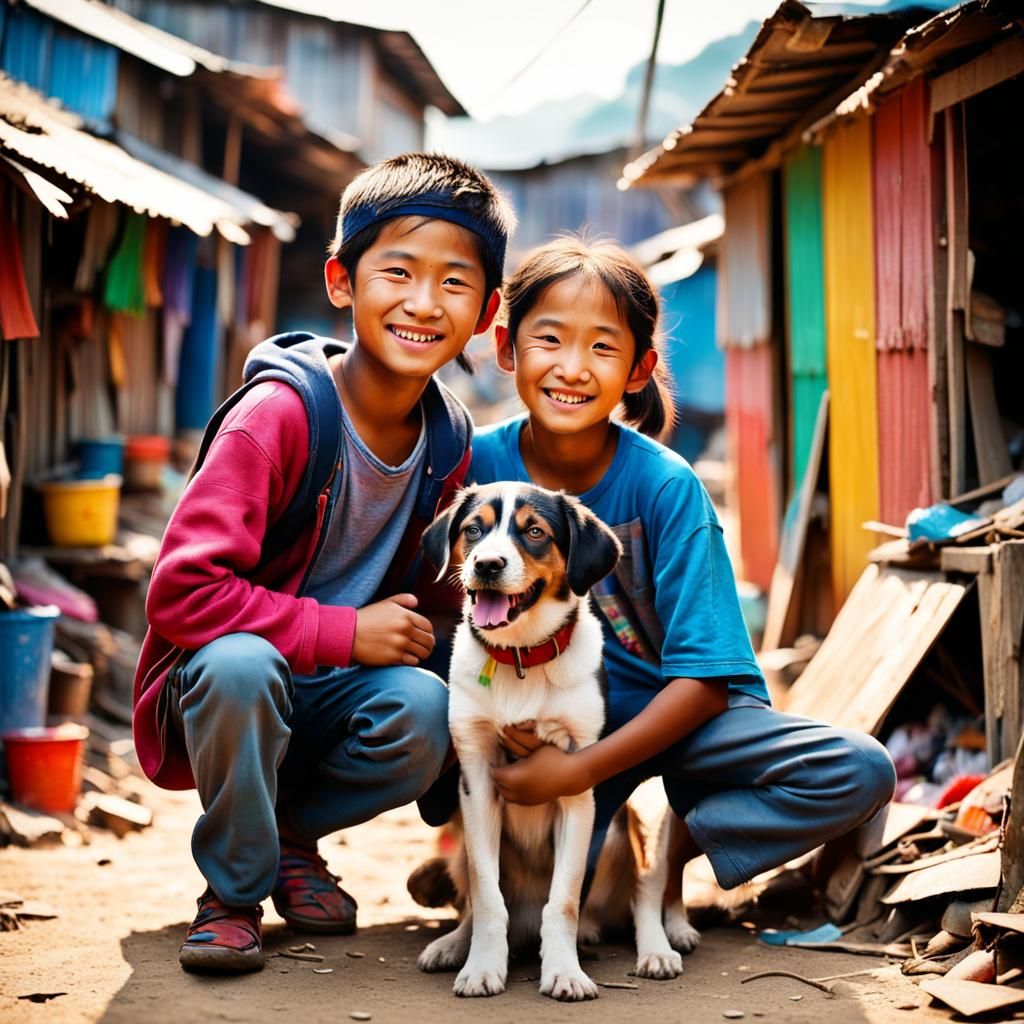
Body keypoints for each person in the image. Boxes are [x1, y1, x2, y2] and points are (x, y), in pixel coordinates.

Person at [133, 153, 515, 973]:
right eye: (398, 272)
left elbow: (433, 612)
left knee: (424, 706)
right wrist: (342, 632)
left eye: (455, 283)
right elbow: (181, 593)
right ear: (343, 282)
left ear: (485, 312)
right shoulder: (278, 417)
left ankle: (290, 837)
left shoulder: (448, 446)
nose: (423, 302)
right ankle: (232, 893)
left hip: (332, 692)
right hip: (226, 683)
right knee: (241, 667)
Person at [469, 236, 896, 901]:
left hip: (681, 722)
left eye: (603, 348)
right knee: (547, 910)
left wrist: (575, 772)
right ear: (506, 349)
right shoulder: (477, 470)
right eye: (549, 340)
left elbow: (702, 684)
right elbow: (450, 615)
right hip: (546, 717)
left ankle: (679, 844)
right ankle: (468, 859)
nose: (573, 368)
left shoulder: (667, 487)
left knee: (859, 771)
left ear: (639, 370)